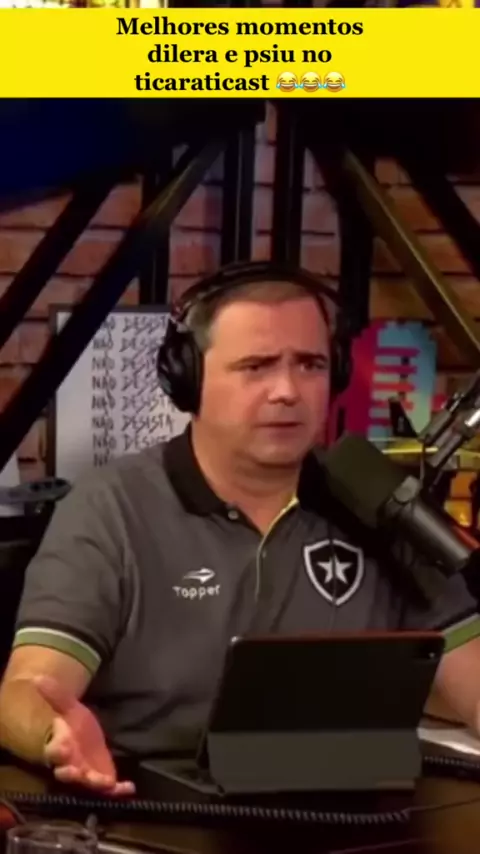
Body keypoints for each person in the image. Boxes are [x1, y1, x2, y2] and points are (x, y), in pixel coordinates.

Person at [1, 262, 480, 798]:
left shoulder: (376, 501)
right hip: (153, 812)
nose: (287, 391)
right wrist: (55, 735)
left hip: (355, 812)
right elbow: (27, 688)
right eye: (256, 366)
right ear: (188, 379)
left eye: (310, 364)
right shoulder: (112, 507)